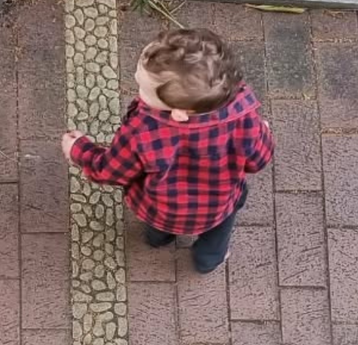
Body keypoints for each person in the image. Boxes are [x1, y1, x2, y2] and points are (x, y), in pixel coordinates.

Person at [61, 26, 274, 275]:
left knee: (158, 228)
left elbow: (110, 170)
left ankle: (159, 239)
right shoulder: (244, 118)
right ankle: (208, 260)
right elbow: (258, 159)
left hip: (161, 205)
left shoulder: (143, 131)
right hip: (219, 204)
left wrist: (80, 150)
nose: (137, 86)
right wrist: (265, 133)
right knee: (218, 233)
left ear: (179, 113)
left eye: (143, 88)